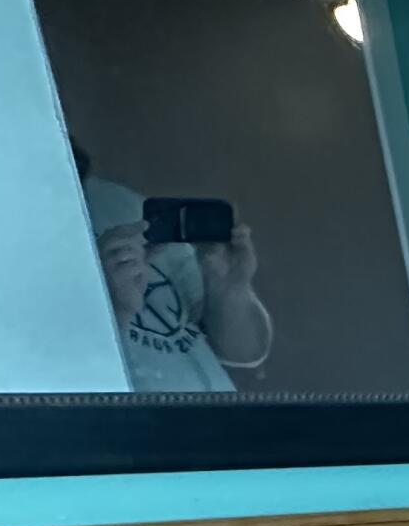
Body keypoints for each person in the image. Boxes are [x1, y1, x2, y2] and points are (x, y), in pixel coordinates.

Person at [74, 143, 273, 392]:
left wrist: (230, 289)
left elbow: (243, 354)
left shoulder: (121, 203)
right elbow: (44, 382)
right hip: (125, 425)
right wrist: (107, 307)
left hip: (219, 423)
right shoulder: (20, 230)